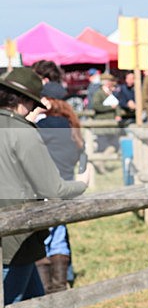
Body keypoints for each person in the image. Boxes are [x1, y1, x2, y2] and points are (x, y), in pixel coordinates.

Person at [0, 68, 89, 308]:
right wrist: (82, 183)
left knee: (33, 302)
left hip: (17, 238)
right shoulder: (23, 132)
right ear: (24, 101)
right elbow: (53, 187)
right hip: (17, 238)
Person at [35, 81, 88, 293]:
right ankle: (59, 284)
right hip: (66, 185)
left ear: (48, 101)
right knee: (58, 236)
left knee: (44, 236)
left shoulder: (45, 125)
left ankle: (46, 287)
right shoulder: (71, 124)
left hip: (48, 186)